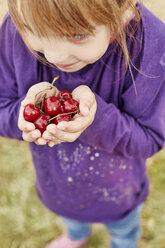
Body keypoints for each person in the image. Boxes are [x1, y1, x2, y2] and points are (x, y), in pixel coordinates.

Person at [0, 0, 165, 247]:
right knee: (71, 219)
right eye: (32, 29)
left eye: (77, 34)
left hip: (119, 195)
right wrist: (23, 115)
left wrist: (95, 120)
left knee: (123, 231)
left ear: (123, 11)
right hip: (57, 185)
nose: (53, 56)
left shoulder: (149, 46)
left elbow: (151, 138)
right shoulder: (17, 24)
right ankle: (77, 235)